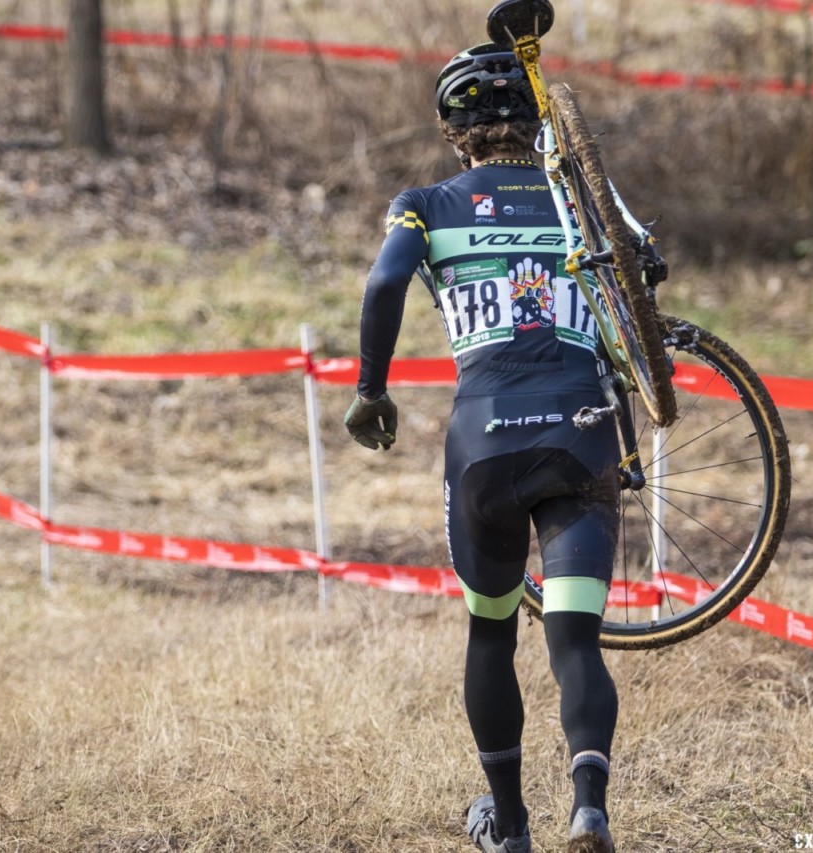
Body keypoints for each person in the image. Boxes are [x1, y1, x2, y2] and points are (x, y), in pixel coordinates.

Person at [344, 43, 621, 853]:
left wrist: (371, 390)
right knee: (574, 637)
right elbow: (639, 276)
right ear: (533, 122)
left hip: (484, 444)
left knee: (491, 631)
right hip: (580, 432)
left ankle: (510, 825)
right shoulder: (581, 201)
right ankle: (589, 807)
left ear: (452, 131)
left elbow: (385, 283)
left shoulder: (424, 203)